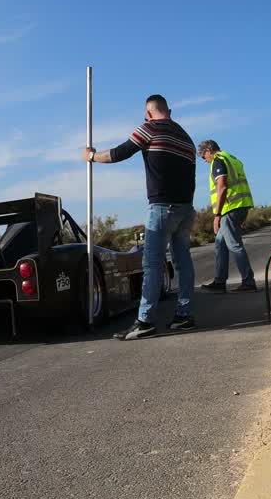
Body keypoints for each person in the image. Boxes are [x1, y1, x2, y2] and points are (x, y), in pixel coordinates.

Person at [84, 93, 197, 339]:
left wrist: (92, 156)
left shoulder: (149, 128)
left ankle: (145, 320)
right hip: (186, 209)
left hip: (162, 208)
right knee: (183, 262)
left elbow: (118, 153)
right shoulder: (187, 138)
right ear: (170, 110)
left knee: (152, 265)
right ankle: (184, 315)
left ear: (148, 112)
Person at [197, 140, 257, 293]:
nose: (204, 160)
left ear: (209, 151)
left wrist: (217, 215)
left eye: (203, 156)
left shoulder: (218, 160)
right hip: (241, 205)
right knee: (220, 243)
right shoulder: (232, 158)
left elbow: (222, 187)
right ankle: (220, 282)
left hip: (230, 208)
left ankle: (248, 282)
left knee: (234, 245)